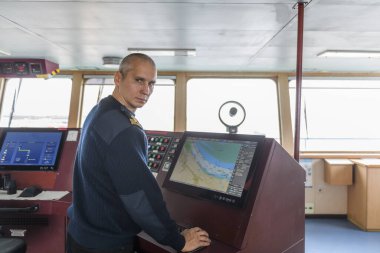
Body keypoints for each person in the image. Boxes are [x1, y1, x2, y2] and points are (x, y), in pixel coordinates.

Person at [67, 53, 211, 253]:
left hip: (81, 234)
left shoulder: (100, 111)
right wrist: (177, 239)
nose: (146, 90)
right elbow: (139, 196)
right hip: (106, 244)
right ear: (118, 79)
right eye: (139, 81)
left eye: (152, 83)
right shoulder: (125, 130)